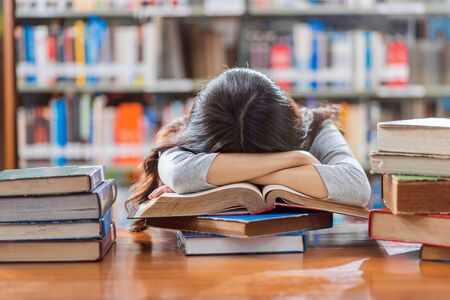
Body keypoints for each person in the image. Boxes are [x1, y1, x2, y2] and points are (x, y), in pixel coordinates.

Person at [127, 68, 371, 231]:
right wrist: (297, 159)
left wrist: (222, 176)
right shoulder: (186, 135)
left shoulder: (313, 126)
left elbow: (357, 186)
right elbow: (181, 174)